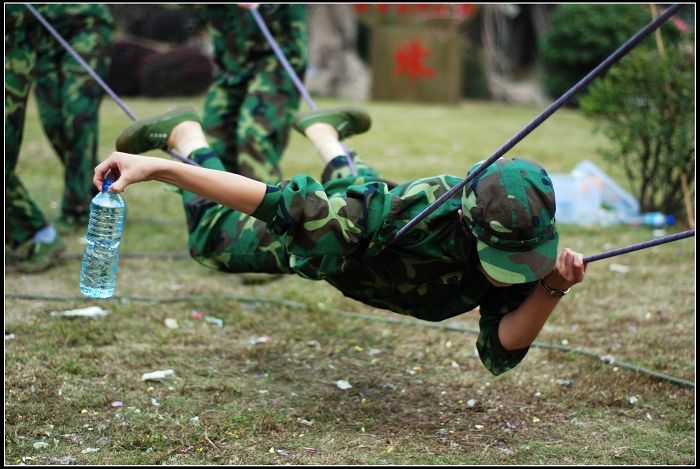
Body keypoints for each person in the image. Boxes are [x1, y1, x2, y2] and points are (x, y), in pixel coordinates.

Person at [99, 106, 586, 376]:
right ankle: (187, 136)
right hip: (344, 245)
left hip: (372, 228)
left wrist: (552, 289)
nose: (511, 267)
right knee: (211, 240)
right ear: (466, 223)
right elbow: (277, 204)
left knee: (370, 196)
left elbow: (499, 348)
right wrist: (163, 168)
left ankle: (325, 131)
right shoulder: (389, 220)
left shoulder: (519, 238)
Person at [5, 4, 113, 272]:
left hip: (83, 25)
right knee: (55, 123)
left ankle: (76, 209)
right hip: (40, 36)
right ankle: (93, 194)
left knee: (76, 119)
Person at [196, 4, 308, 184]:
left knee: (254, 135)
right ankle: (224, 210)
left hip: (277, 61)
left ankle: (265, 209)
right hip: (230, 65)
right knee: (214, 139)